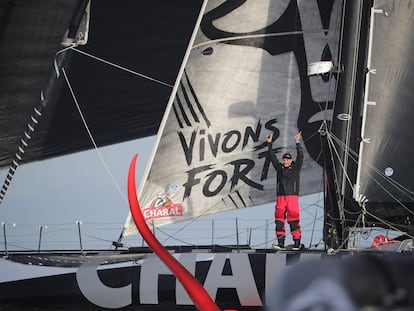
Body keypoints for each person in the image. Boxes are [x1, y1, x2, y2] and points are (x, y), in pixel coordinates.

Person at [266, 132, 303, 250]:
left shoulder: (296, 168)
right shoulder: (280, 168)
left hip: (292, 197)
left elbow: (301, 156)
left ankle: (297, 243)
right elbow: (272, 158)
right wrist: (269, 144)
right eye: (284, 160)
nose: (286, 161)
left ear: (291, 160)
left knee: (293, 220)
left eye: (288, 160)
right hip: (281, 197)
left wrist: (297, 142)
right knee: (279, 220)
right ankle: (281, 243)